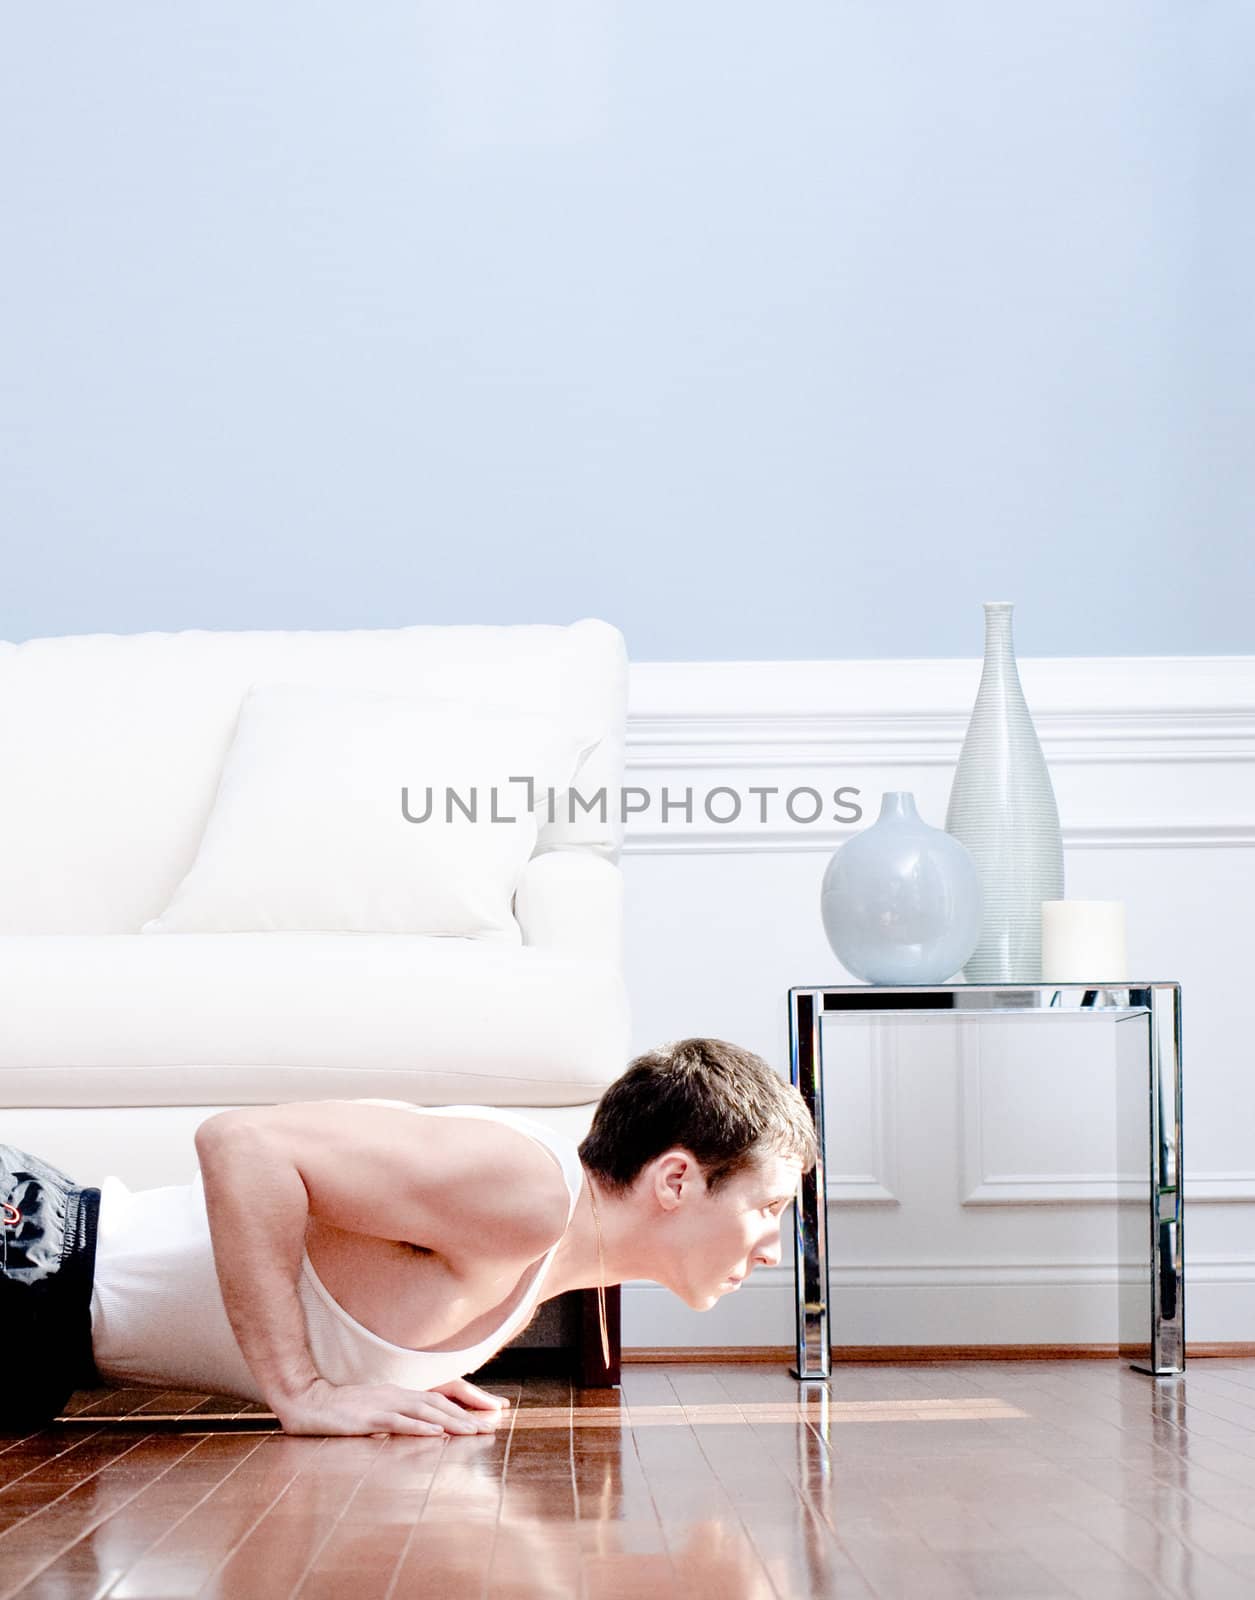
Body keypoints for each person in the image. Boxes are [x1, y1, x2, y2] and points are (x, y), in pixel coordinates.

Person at [0, 1037, 817, 1438]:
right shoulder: (532, 1196)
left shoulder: (536, 1266)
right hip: (27, 1251)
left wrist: (390, 1367)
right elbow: (241, 1143)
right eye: (769, 1206)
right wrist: (303, 1391)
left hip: (42, 1348)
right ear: (675, 1180)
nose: (774, 1248)